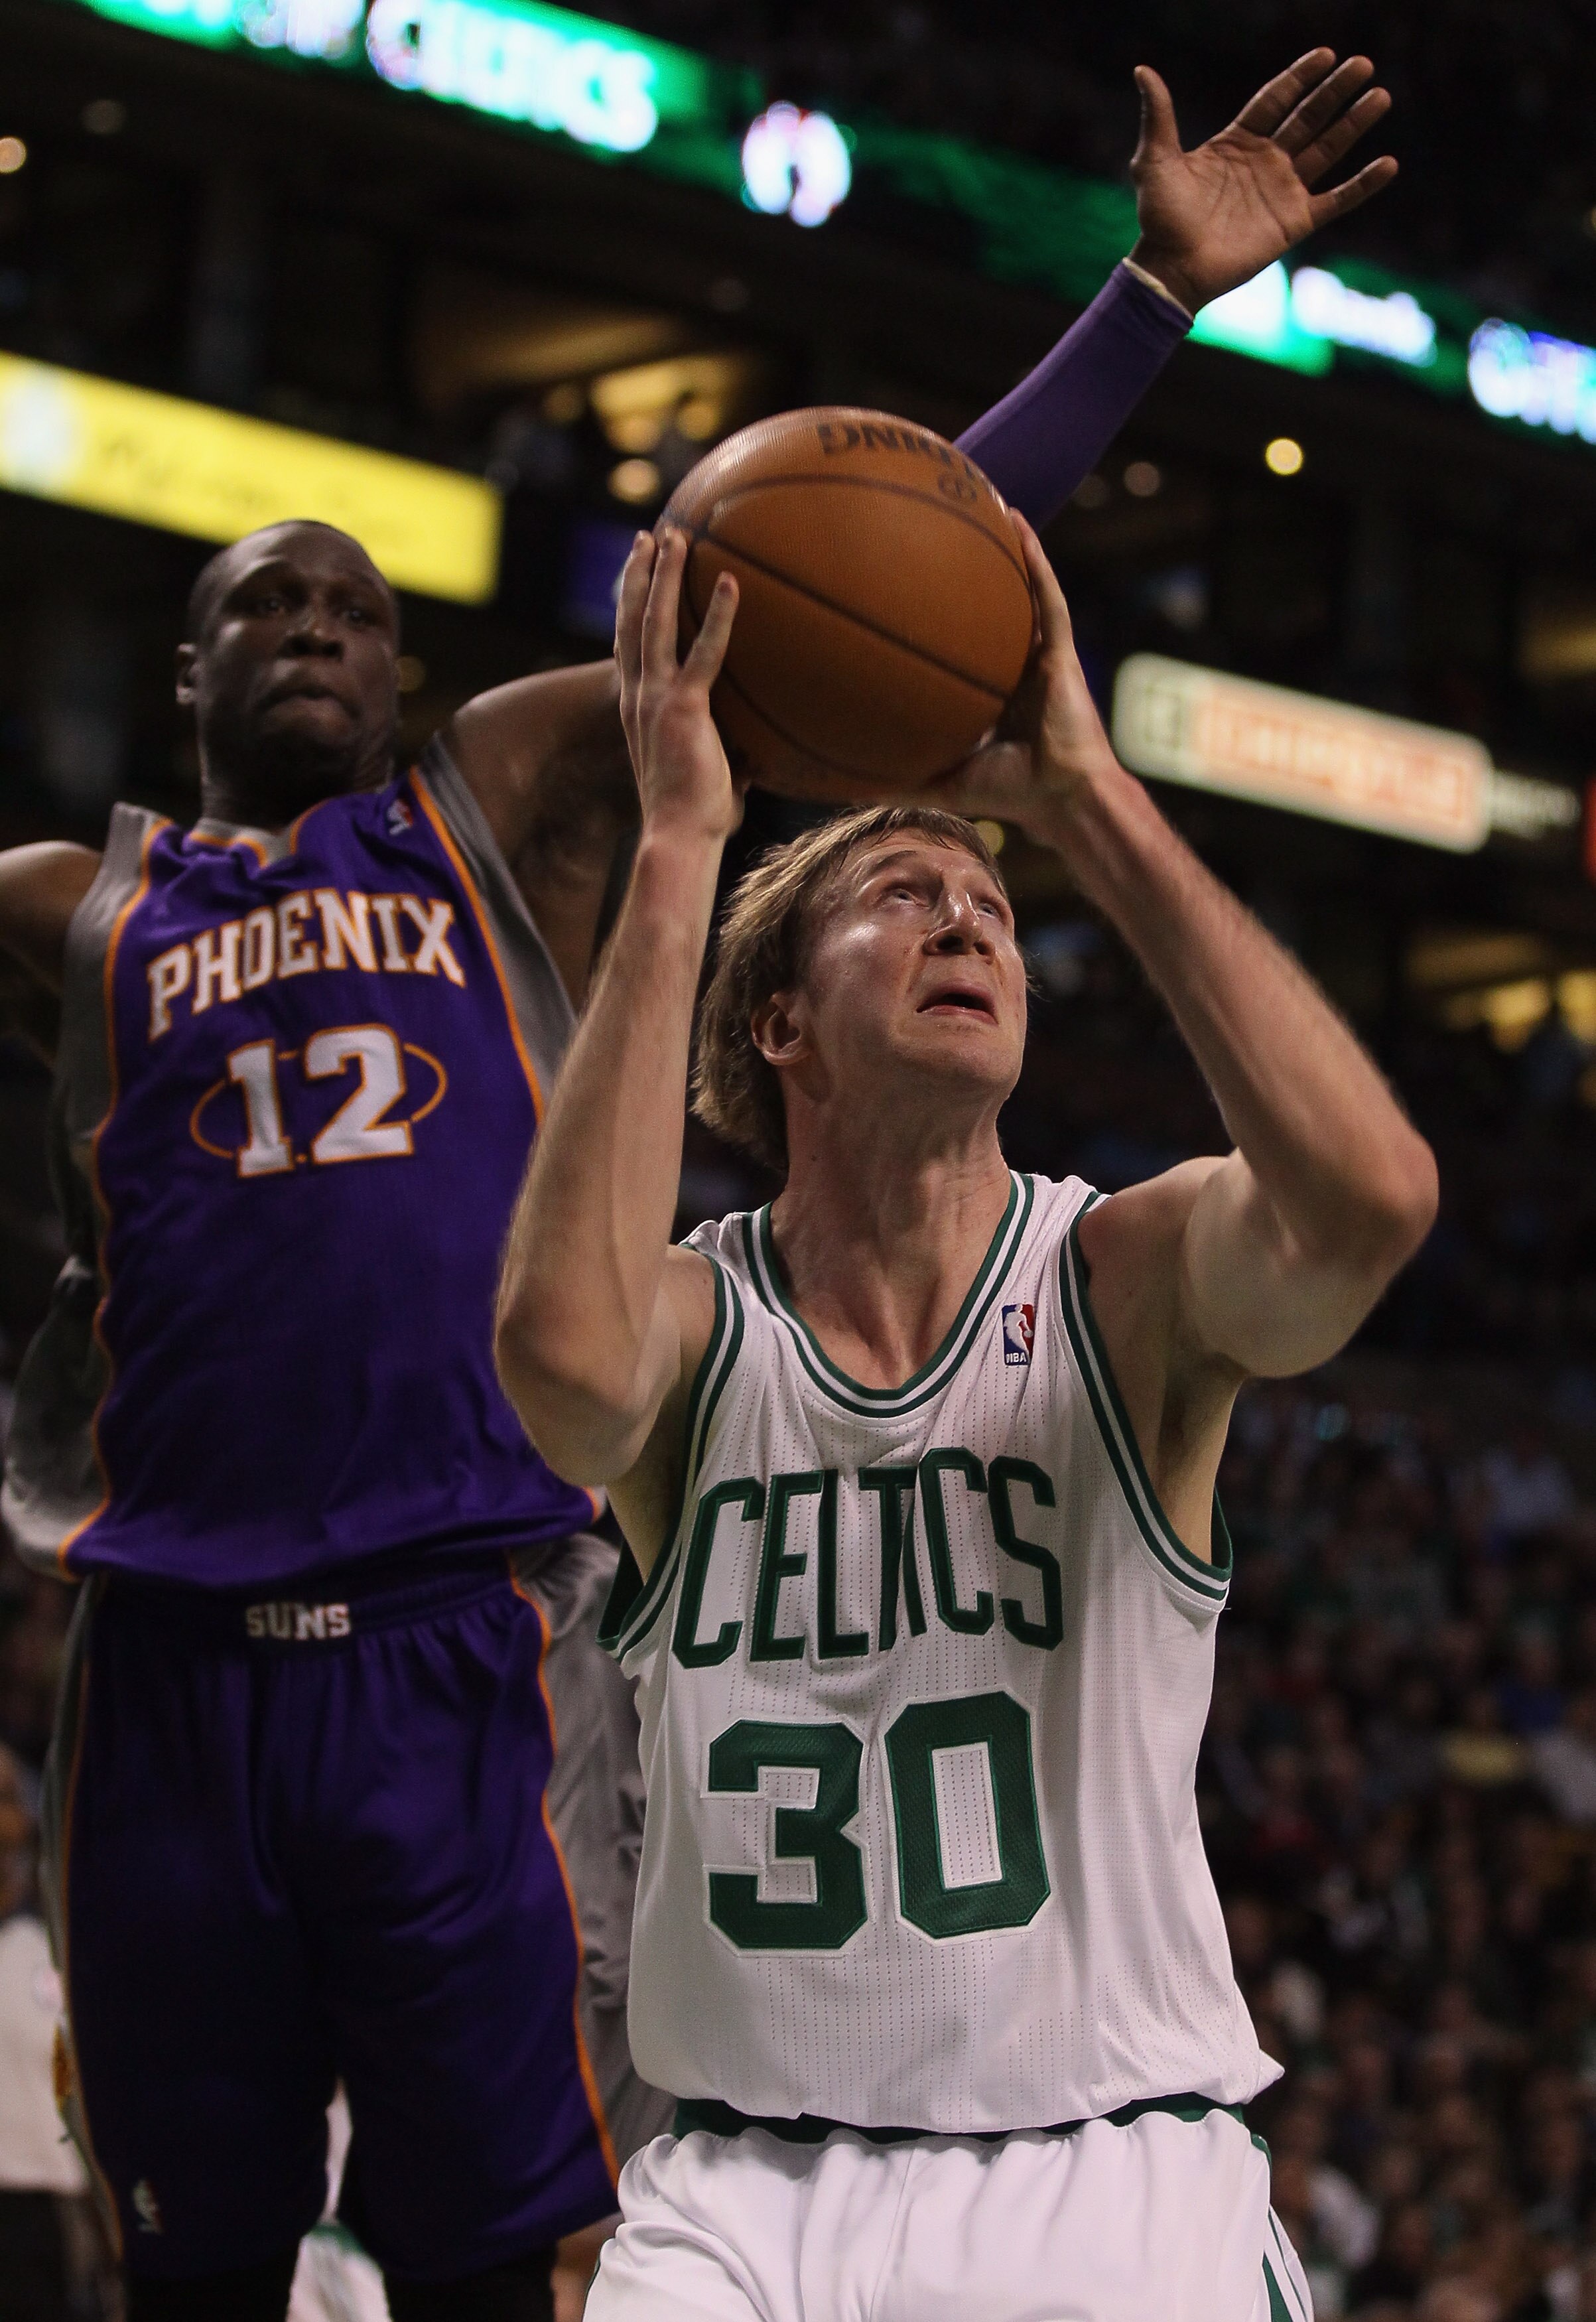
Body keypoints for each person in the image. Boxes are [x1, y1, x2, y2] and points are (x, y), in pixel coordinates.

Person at [0, 45, 1396, 2321]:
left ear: (412, 664)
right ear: (183, 671)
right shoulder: (88, 903)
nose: (318, 633)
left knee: (498, 2250)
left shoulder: (487, 802)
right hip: (165, 1636)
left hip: (465, 1609)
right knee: (188, 2251)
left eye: (355, 607)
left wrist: (1145, 305)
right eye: (268, 606)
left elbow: (872, 568)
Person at [492, 493, 1437, 2321]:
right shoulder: (701, 1328)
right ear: (778, 1020)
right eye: (902, 893)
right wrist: (684, 834)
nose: (969, 918)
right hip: (750, 2190)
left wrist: (1083, 799)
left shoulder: (1116, 1283)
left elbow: (1366, 1203)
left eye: (996, 904)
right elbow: (560, 1364)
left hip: (1105, 2168)